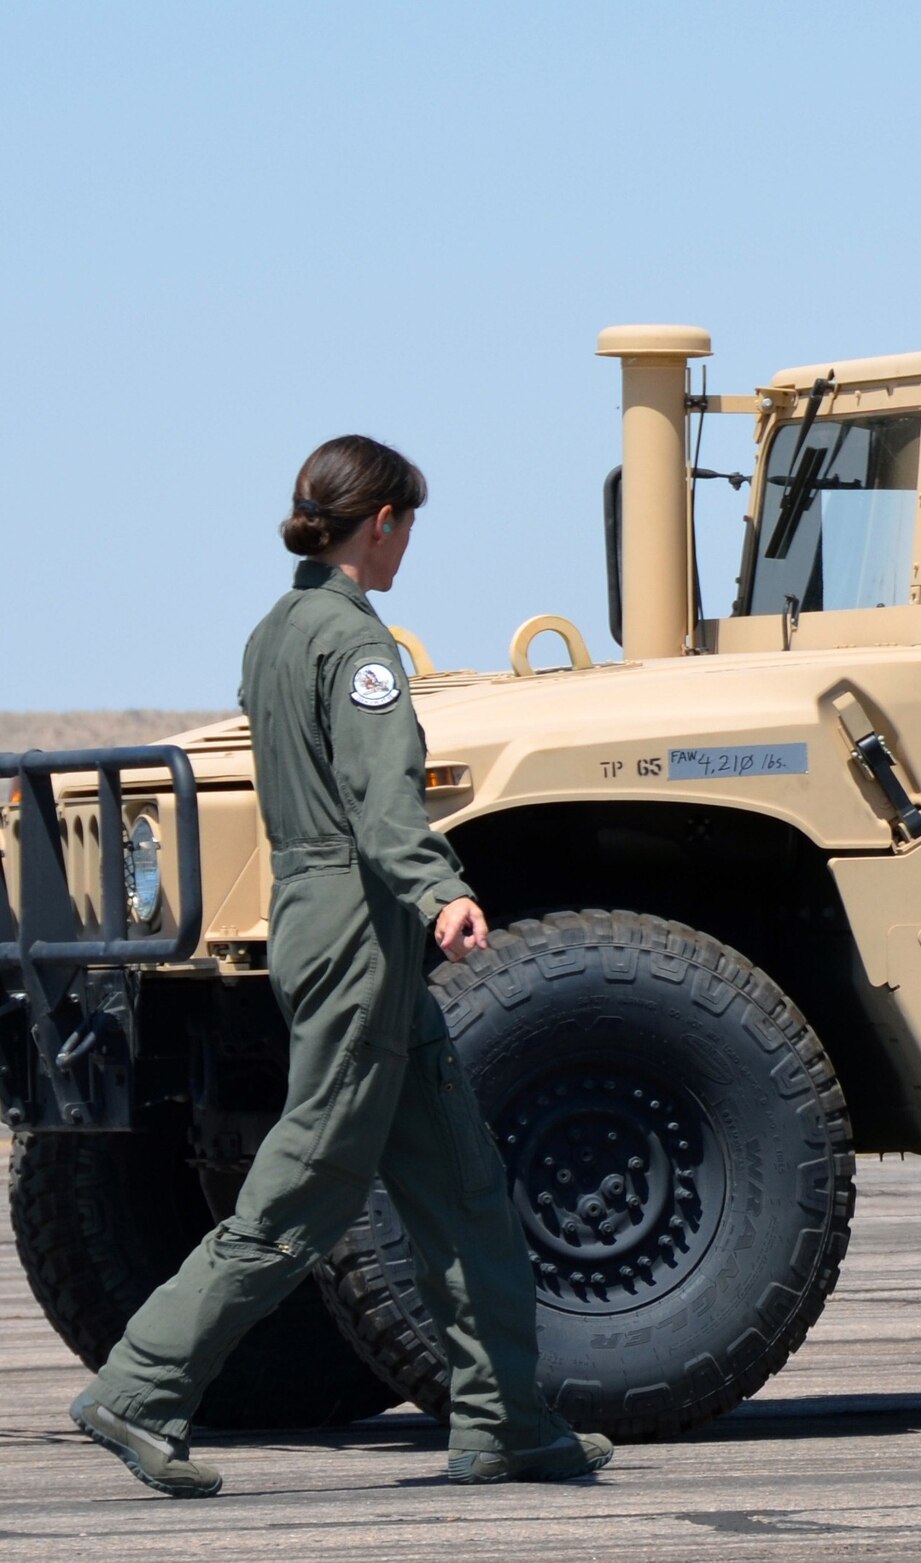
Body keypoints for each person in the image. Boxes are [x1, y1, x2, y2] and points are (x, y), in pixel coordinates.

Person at [70, 435, 612, 1497]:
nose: (411, 542)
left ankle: (503, 1421)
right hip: (360, 921)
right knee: (309, 1183)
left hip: (324, 918)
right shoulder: (356, 648)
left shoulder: (277, 632)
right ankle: (140, 1386)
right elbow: (379, 799)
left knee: (462, 1191)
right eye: (410, 523)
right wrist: (440, 889)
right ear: (384, 523)